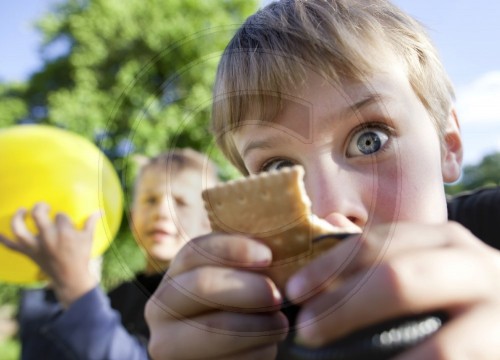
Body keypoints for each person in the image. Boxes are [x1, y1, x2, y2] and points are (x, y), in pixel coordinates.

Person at [144, 1, 500, 359]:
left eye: (370, 139)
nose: (330, 211)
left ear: (447, 145)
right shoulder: (256, 333)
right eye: (278, 170)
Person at [0, 148, 219, 360]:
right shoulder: (117, 296)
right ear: (133, 218)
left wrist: (74, 282)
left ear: (208, 222)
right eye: (150, 200)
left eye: (181, 202)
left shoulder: (208, 298)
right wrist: (55, 288)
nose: (162, 211)